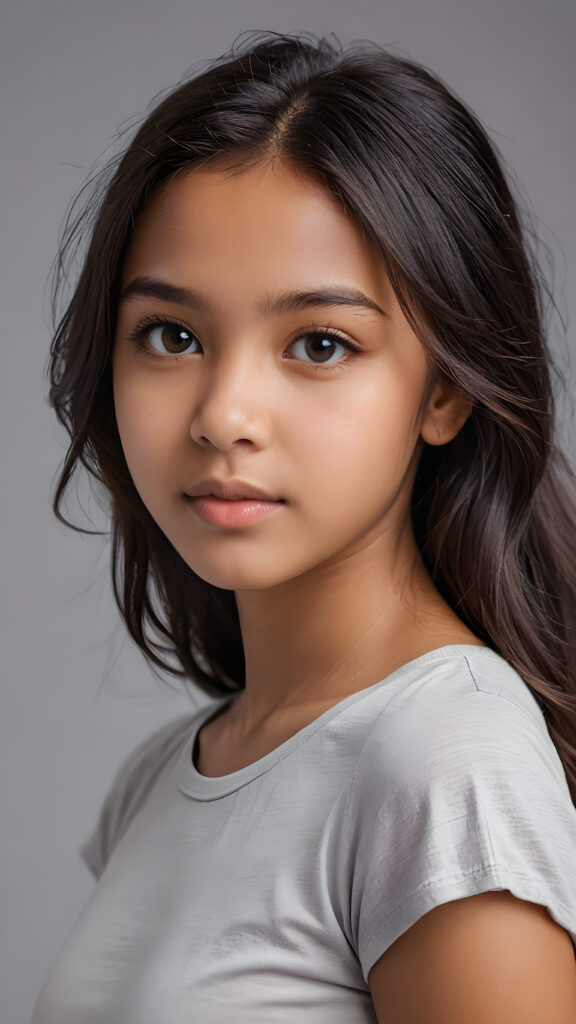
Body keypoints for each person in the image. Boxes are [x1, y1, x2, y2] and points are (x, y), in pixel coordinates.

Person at [32, 28, 576, 1024]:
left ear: (445, 391)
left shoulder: (449, 764)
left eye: (319, 344)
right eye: (172, 335)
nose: (223, 415)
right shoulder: (160, 780)